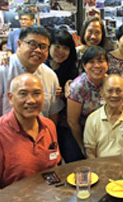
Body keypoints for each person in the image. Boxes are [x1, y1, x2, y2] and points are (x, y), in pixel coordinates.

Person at [0, 74, 61, 202]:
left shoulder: (49, 126)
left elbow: (52, 167)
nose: (31, 100)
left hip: (34, 196)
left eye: (37, 93)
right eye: (23, 94)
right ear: (10, 98)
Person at [0, 26, 63, 135]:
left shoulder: (50, 76)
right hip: (2, 141)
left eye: (43, 46)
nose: (38, 50)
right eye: (32, 44)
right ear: (19, 44)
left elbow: (52, 114)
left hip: (37, 142)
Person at [84, 74, 123, 158]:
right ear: (102, 92)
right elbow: (90, 152)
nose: (114, 95)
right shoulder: (92, 119)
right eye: (109, 91)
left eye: (119, 91)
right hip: (100, 168)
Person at [67, 46, 108, 158]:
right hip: (82, 133)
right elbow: (72, 121)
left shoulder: (109, 83)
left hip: (103, 133)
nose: (97, 66)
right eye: (91, 62)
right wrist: (83, 147)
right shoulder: (78, 87)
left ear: (107, 65)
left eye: (101, 61)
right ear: (84, 66)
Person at [45, 29, 79, 163]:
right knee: (50, 160)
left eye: (65, 48)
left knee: (73, 157)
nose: (61, 51)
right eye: (57, 46)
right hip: (43, 119)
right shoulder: (40, 66)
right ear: (49, 46)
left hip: (64, 122)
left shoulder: (72, 70)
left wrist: (66, 93)